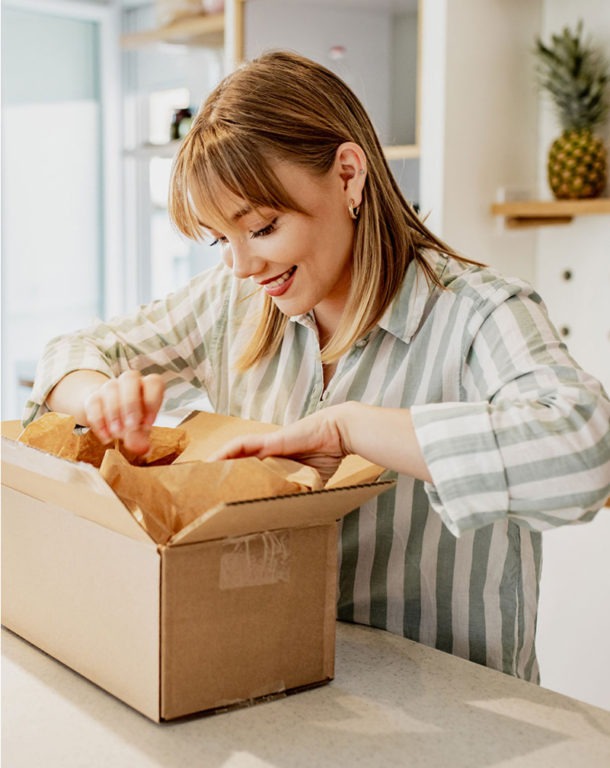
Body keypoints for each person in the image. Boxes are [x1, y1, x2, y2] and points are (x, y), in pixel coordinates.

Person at [25, 51, 610, 682]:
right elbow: (74, 352)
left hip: (457, 724)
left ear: (349, 175)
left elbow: (585, 451)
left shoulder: (480, 313)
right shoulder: (235, 301)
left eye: (265, 227)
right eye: (221, 239)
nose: (242, 265)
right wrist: (97, 399)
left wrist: (350, 429)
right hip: (281, 690)